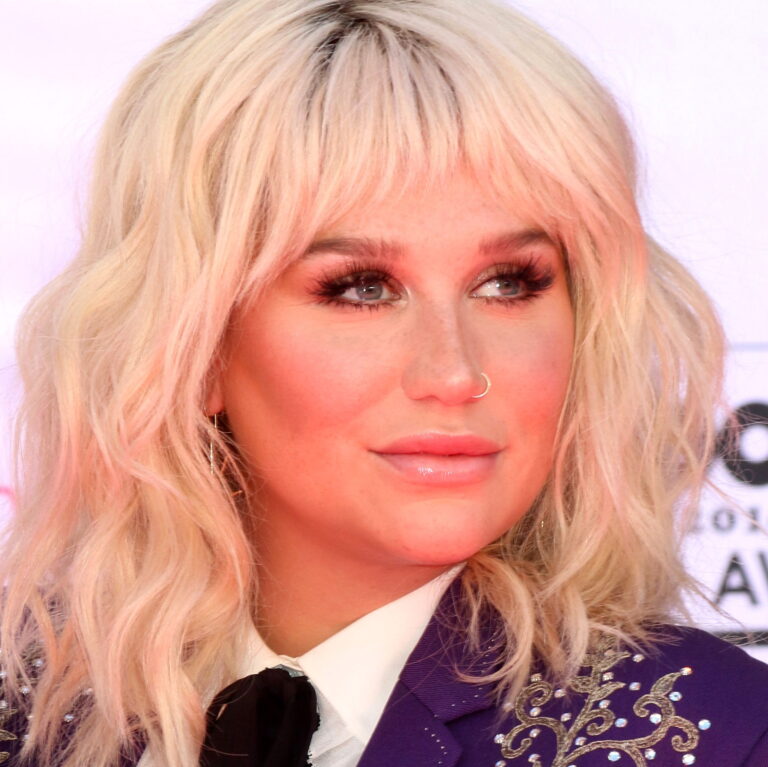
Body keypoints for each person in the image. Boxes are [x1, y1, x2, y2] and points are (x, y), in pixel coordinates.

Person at [1, 0, 766, 765]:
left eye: (508, 282)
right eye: (362, 287)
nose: (456, 370)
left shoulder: (717, 734)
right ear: (193, 345)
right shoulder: (26, 711)